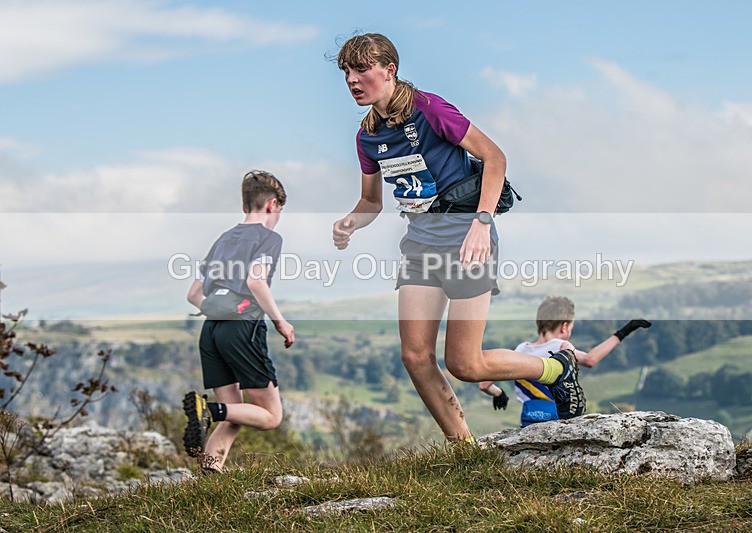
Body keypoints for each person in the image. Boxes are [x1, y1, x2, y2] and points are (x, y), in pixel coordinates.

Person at [331, 33, 584, 441]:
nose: (352, 79)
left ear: (388, 70)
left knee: (465, 364)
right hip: (420, 242)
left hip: (467, 237)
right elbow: (370, 202)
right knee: (415, 356)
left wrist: (482, 223)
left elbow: (494, 156)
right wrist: (349, 223)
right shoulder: (367, 136)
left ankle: (556, 369)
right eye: (346, 71)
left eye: (361, 69)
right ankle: (463, 449)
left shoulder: (429, 109)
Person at [183, 170, 295, 471]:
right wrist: (280, 322)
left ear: (245, 206)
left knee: (234, 412)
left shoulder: (222, 240)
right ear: (272, 205)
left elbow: (193, 294)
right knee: (271, 416)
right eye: (280, 211)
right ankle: (206, 409)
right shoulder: (268, 238)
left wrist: (221, 307)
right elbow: (256, 281)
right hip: (241, 328)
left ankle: (210, 470)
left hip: (211, 330)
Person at [479, 295, 651, 426]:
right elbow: (590, 359)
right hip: (557, 414)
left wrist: (499, 394)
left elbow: (484, 384)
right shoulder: (560, 345)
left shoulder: (520, 350)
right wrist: (623, 332)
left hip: (529, 415)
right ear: (564, 326)